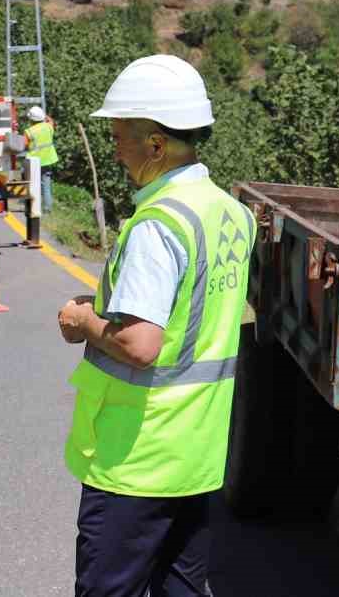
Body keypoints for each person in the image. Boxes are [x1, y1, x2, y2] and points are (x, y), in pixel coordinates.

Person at [56, 55, 257, 597]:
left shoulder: (158, 224)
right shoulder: (232, 214)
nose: (115, 146)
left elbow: (141, 344)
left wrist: (82, 319)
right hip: (195, 453)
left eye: (122, 133)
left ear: (156, 144)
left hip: (136, 457)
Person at [24, 104, 59, 215]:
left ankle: (32, 207)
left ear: (31, 119)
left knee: (30, 185)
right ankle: (47, 210)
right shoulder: (49, 126)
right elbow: (51, 121)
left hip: (33, 162)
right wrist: (45, 116)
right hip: (47, 161)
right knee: (46, 186)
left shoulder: (29, 131)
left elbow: (24, 145)